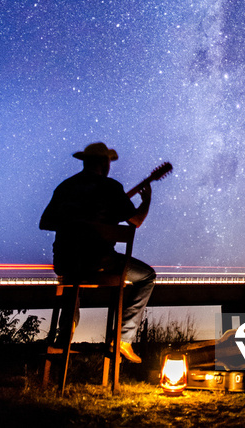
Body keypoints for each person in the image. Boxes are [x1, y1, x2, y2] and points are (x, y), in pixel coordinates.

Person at [39, 142, 156, 363]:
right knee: (147, 276)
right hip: (99, 262)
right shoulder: (111, 188)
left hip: (65, 261)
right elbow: (136, 221)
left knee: (74, 276)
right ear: (104, 163)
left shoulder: (66, 187)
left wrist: (74, 222)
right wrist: (147, 200)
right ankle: (123, 338)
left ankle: (64, 336)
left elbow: (45, 222)